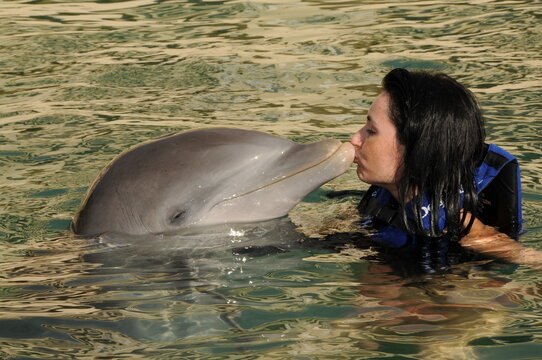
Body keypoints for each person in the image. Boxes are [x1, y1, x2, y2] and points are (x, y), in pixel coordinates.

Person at [351, 68, 541, 273]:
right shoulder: (388, 197)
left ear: (418, 149)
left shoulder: (456, 222)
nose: (355, 139)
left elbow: (528, 258)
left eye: (371, 131)